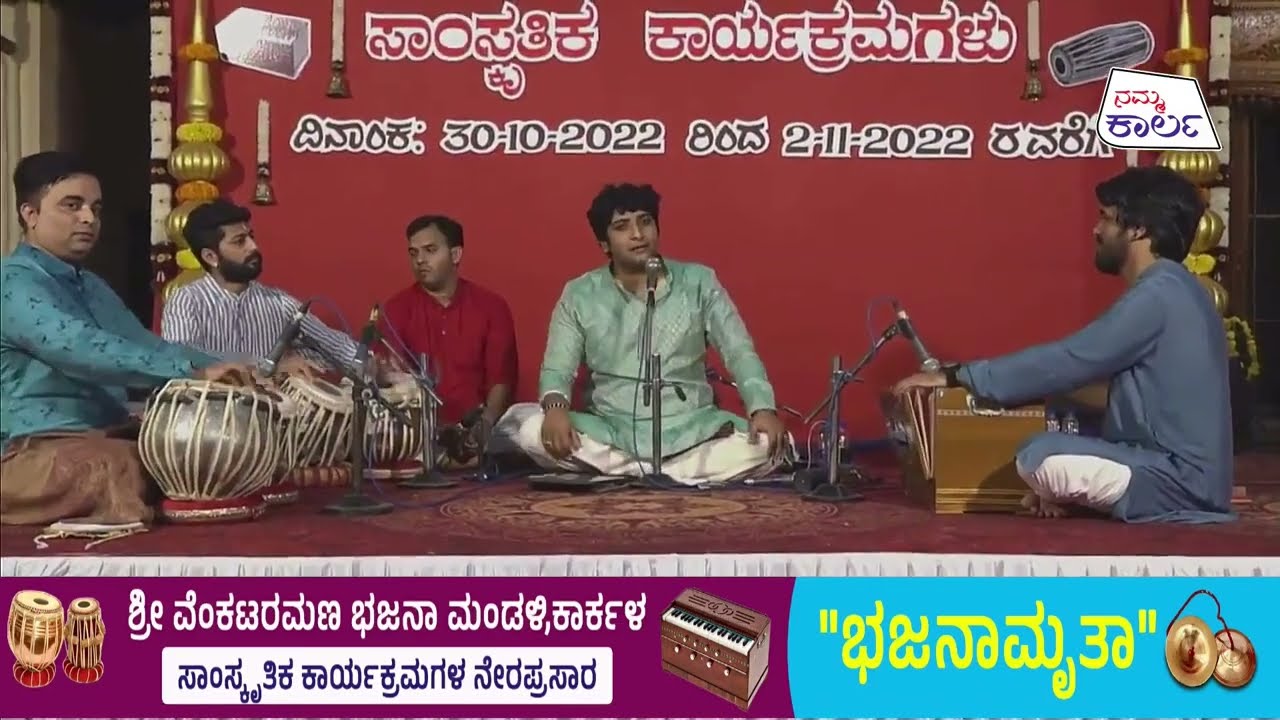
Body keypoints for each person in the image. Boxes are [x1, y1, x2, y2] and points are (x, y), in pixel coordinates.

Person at [894, 166, 1233, 523]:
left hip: (1177, 480)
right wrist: (1034, 391)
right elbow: (1111, 392)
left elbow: (1072, 359)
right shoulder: (1178, 289)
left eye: (1105, 218)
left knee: (1039, 455)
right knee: (1051, 456)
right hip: (1183, 475)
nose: (1095, 230)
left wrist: (958, 378)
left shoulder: (1159, 295)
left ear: (1137, 229)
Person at [0, 151, 254, 527]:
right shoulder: (13, 282)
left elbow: (147, 345)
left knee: (191, 449)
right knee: (121, 466)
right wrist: (190, 373)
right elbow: (78, 346)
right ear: (30, 213)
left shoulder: (91, 285)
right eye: (72, 205)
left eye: (95, 208)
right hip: (28, 452)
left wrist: (237, 368)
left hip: (101, 434)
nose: (89, 218)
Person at [490, 183, 788, 485]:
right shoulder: (579, 294)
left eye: (645, 222)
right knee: (529, 428)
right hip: (611, 428)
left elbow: (739, 352)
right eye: (622, 227)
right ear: (604, 243)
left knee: (772, 443)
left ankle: (632, 473)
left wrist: (761, 408)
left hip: (693, 427)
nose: (637, 234)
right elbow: (557, 369)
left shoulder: (699, 282)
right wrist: (555, 409)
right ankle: (668, 474)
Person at [160, 199, 359, 376]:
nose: (253, 246)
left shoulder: (279, 302)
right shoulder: (186, 301)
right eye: (240, 241)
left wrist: (367, 363)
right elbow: (181, 366)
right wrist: (267, 367)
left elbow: (336, 346)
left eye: (251, 236)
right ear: (210, 257)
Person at [378, 215, 518, 452]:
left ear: (455, 255)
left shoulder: (491, 306)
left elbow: (501, 379)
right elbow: (388, 376)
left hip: (480, 428)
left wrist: (485, 423)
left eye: (430, 250)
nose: (420, 260)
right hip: (414, 433)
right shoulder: (396, 309)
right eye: (413, 253)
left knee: (525, 429)